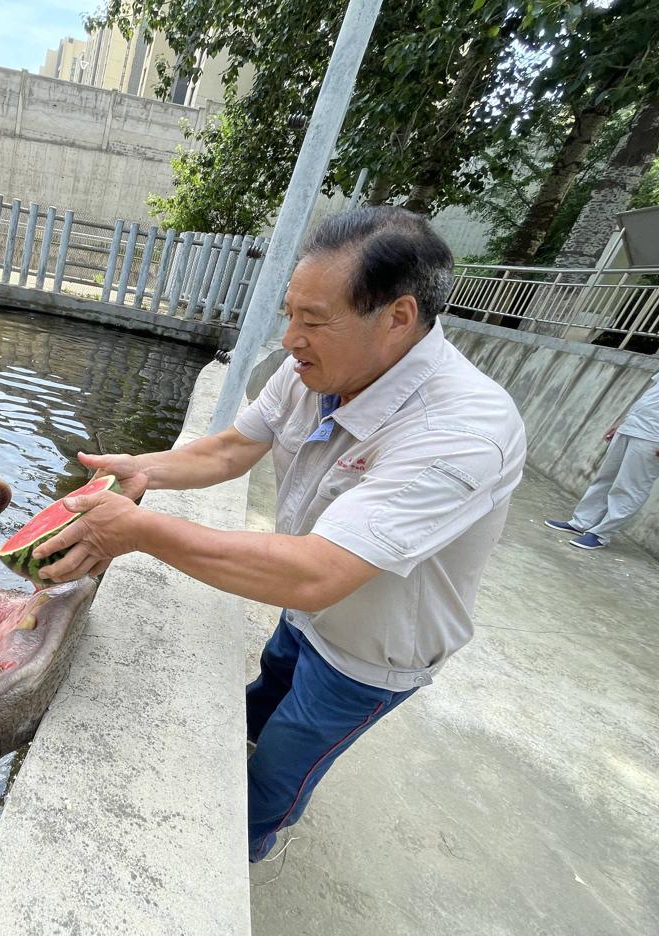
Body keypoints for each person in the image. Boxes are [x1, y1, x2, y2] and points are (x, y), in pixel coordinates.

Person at [32, 207, 526, 864]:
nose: (290, 338)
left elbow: (321, 571)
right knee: (265, 694)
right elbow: (231, 449)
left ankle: (243, 848)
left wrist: (139, 532)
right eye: (290, 314)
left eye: (314, 320)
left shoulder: (462, 433)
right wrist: (142, 470)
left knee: (280, 772)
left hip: (368, 655)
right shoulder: (315, 372)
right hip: (303, 612)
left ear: (399, 318)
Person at [544, 353, 659, 550]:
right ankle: (582, 522)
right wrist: (623, 420)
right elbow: (654, 392)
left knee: (631, 487)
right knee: (605, 478)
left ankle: (600, 535)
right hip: (634, 424)